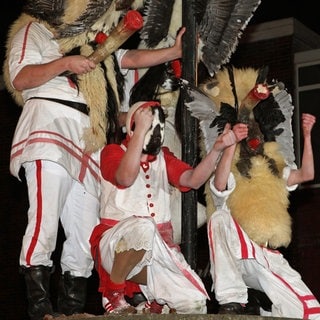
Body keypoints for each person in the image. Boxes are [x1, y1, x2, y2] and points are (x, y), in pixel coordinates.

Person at [4, 3, 186, 318]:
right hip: (50, 124)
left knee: (85, 232)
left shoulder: (90, 40)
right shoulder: (34, 31)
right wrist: (67, 63)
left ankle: (71, 309)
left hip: (90, 138)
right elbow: (21, 78)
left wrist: (173, 52)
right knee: (44, 220)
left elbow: (125, 58)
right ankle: (40, 308)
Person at [89, 100, 248, 315]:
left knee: (195, 303)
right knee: (144, 226)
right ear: (132, 127)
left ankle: (153, 302)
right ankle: (113, 294)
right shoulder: (113, 151)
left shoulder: (164, 157)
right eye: (150, 125)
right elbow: (125, 178)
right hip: (115, 245)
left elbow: (193, 180)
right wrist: (139, 133)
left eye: (159, 126)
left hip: (157, 250)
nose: (157, 132)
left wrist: (218, 149)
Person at [207, 113, 320, 318]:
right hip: (240, 250)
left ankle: (263, 302)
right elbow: (219, 184)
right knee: (219, 218)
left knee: (311, 312)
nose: (253, 136)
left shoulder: (275, 170)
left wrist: (307, 136)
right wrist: (231, 145)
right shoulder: (232, 170)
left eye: (255, 130)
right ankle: (231, 300)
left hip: (269, 255)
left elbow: (307, 175)